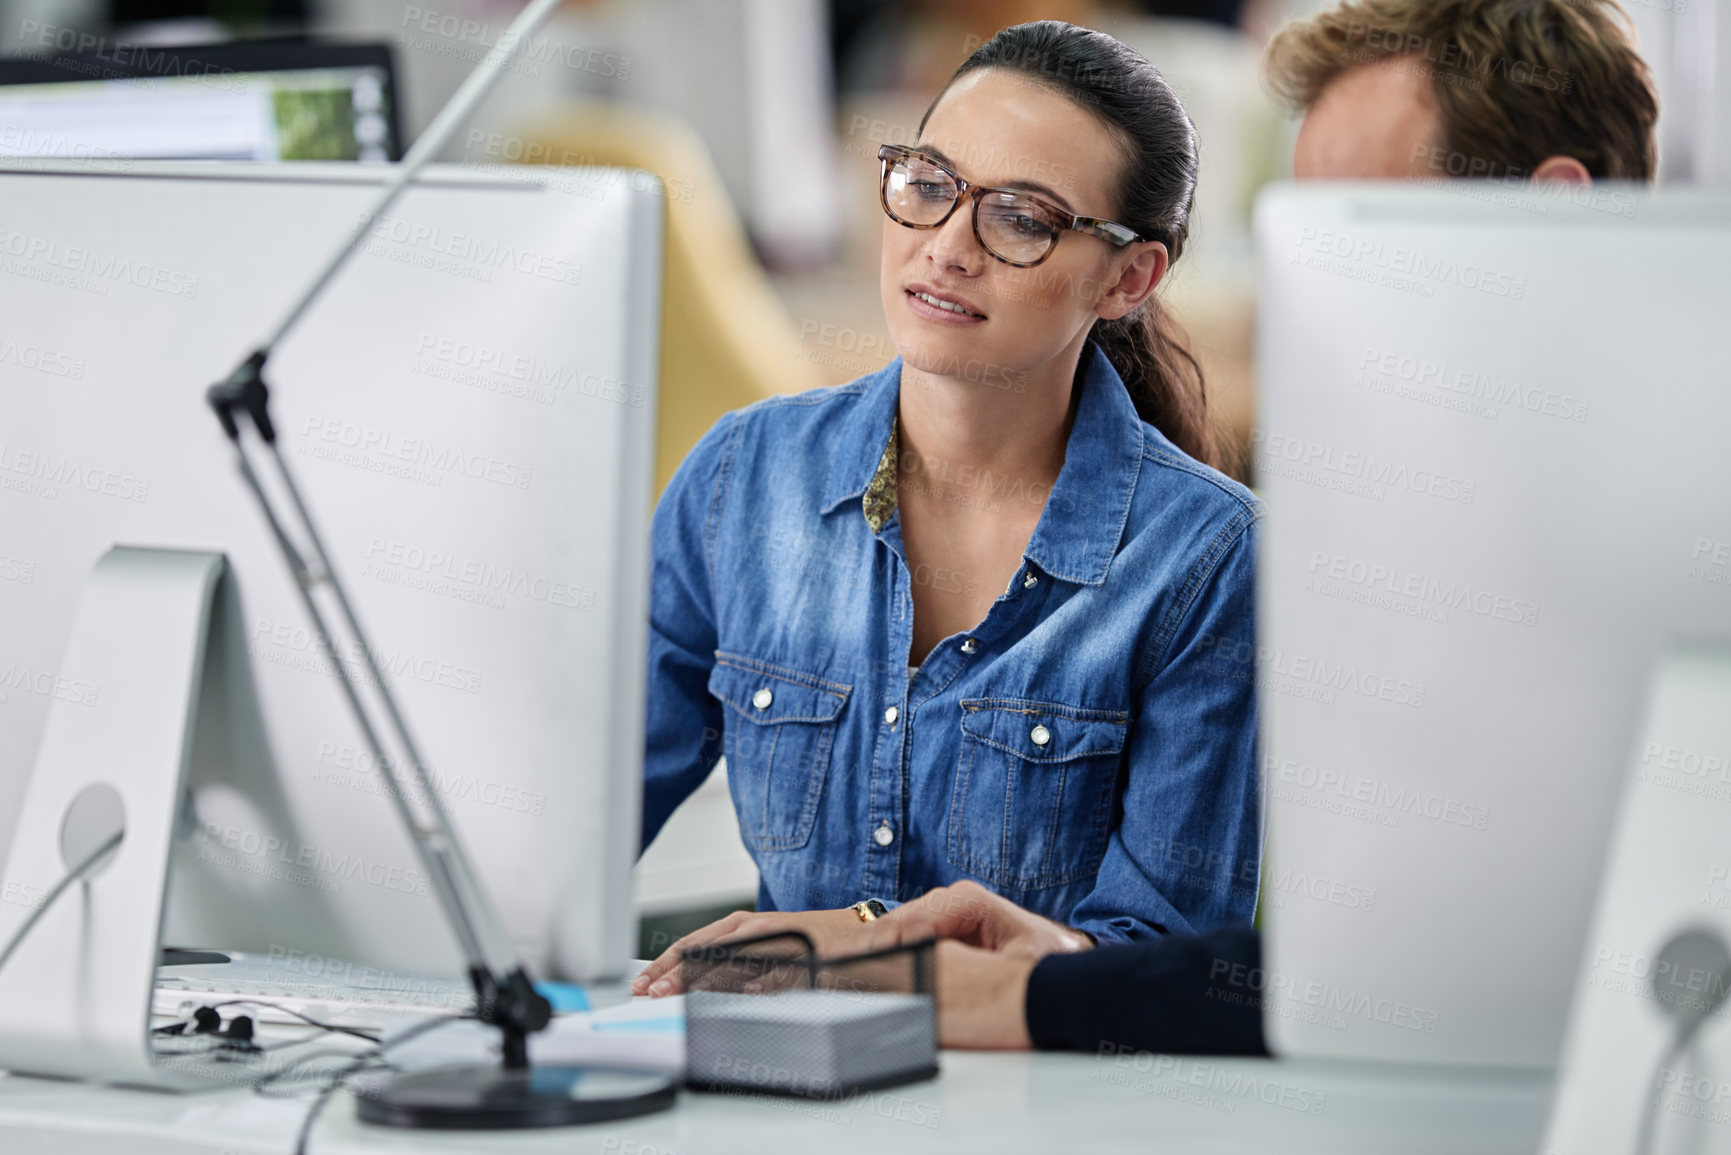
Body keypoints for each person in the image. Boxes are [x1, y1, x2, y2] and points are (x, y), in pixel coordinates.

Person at [840, 0, 1663, 1056]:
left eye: (1360, 231)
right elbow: (1370, 959)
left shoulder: (1633, 546)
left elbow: (1470, 968)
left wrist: (1039, 1000)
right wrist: (1086, 969)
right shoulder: (1415, 535)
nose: (1310, 295)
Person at [634, 20, 1263, 997]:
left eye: (1021, 219)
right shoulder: (743, 477)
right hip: (776, 1090)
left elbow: (1168, 970)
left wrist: (870, 954)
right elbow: (578, 822)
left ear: (1127, 277)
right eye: (929, 186)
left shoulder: (1207, 558)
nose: (948, 249)